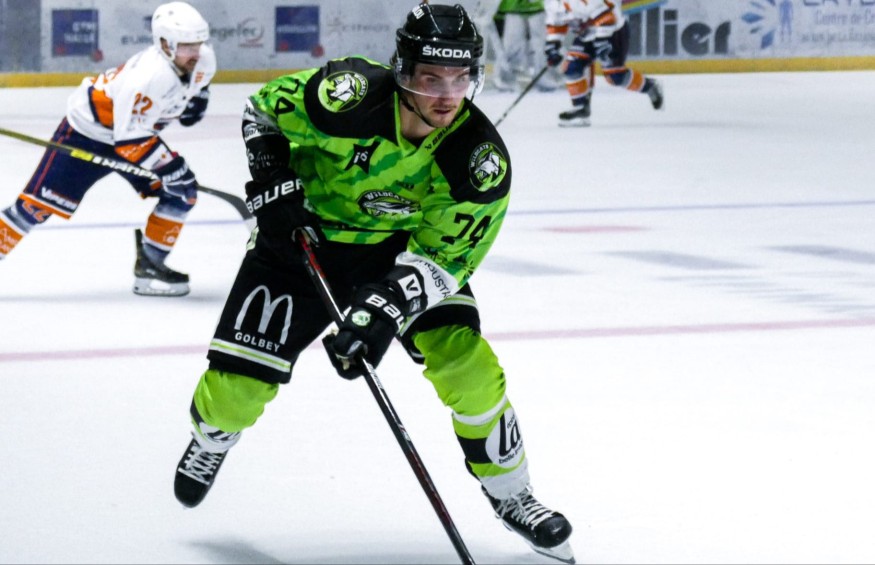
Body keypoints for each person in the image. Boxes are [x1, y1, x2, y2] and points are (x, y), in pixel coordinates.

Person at [172, 3, 575, 563]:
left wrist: (382, 308)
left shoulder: (477, 160)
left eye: (459, 78)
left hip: (400, 253)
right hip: (303, 238)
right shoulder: (348, 95)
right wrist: (273, 179)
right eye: (430, 78)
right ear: (402, 70)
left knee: (467, 365)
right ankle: (212, 437)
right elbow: (262, 111)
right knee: (234, 396)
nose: (446, 96)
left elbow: (447, 257)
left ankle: (512, 493)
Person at [0, 1, 215, 296]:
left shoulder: (203, 61)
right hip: (86, 135)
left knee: (181, 192)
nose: (196, 53)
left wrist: (196, 99)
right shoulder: (148, 76)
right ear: (166, 44)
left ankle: (151, 265)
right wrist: (172, 167)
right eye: (188, 46)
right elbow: (130, 142)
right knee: (33, 208)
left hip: (132, 136)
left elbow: (188, 94)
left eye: (199, 44)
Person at [544, 0, 664, 127]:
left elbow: (607, 16)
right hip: (587, 35)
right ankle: (581, 109)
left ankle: (650, 86)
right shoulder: (551, 2)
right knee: (571, 68)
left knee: (615, 77)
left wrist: (602, 41)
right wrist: (553, 44)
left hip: (613, 32)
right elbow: (556, 23)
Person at [493, 0, 561, 92]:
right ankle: (506, 79)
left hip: (536, 7)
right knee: (512, 45)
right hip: (514, 7)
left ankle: (542, 76)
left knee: (540, 44)